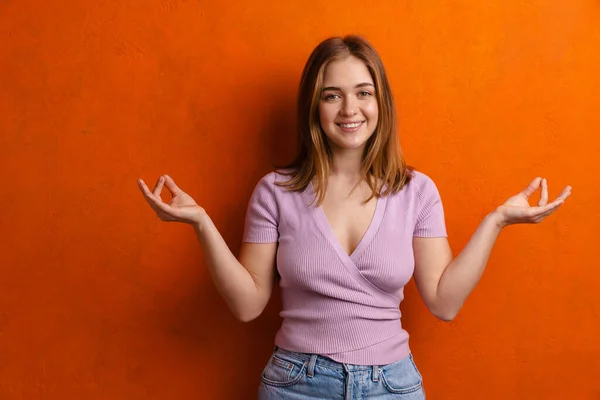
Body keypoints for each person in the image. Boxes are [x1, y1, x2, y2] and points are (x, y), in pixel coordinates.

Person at [137, 35, 571, 399]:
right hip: (296, 385)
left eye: (363, 92)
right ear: (314, 105)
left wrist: (497, 220)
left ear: (380, 101)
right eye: (332, 95)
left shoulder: (416, 192)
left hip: (391, 386)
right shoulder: (275, 191)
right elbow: (248, 305)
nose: (350, 109)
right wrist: (201, 224)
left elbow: (444, 301)